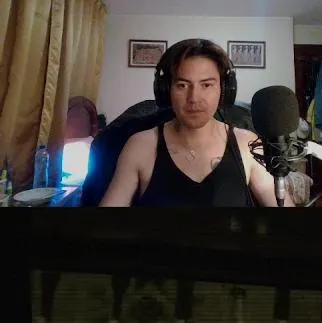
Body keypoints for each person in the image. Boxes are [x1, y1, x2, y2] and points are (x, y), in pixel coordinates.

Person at [99, 38, 294, 206]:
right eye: (182, 85)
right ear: (166, 90)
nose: (194, 98)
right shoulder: (140, 146)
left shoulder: (247, 145)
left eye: (206, 85)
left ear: (224, 90)